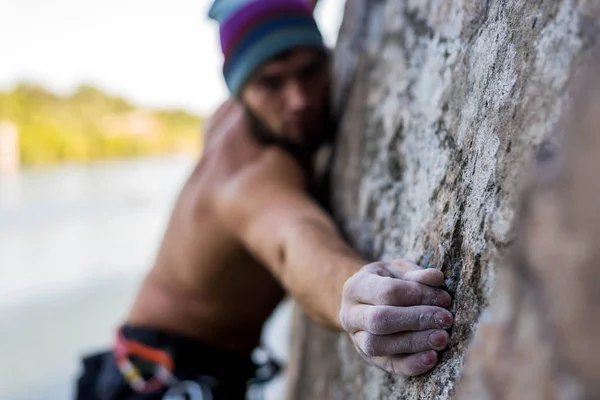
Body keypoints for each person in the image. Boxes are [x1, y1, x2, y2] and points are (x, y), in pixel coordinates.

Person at [75, 0, 454, 398]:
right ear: (241, 92)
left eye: (310, 71)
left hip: (142, 363)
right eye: (270, 84)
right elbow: (292, 243)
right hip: (163, 382)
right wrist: (356, 294)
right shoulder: (250, 179)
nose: (299, 100)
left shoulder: (230, 118)